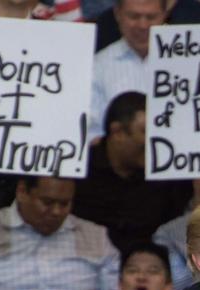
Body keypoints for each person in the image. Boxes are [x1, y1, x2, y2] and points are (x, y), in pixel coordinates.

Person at [72, 92, 192, 254]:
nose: (153, 142)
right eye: (145, 132)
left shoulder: (169, 174)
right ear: (117, 132)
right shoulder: (77, 170)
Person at [89, 0, 165, 139]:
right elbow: (92, 135)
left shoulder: (189, 64)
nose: (143, 25)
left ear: (165, 15)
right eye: (134, 16)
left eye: (151, 17)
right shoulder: (97, 67)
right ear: (117, 14)